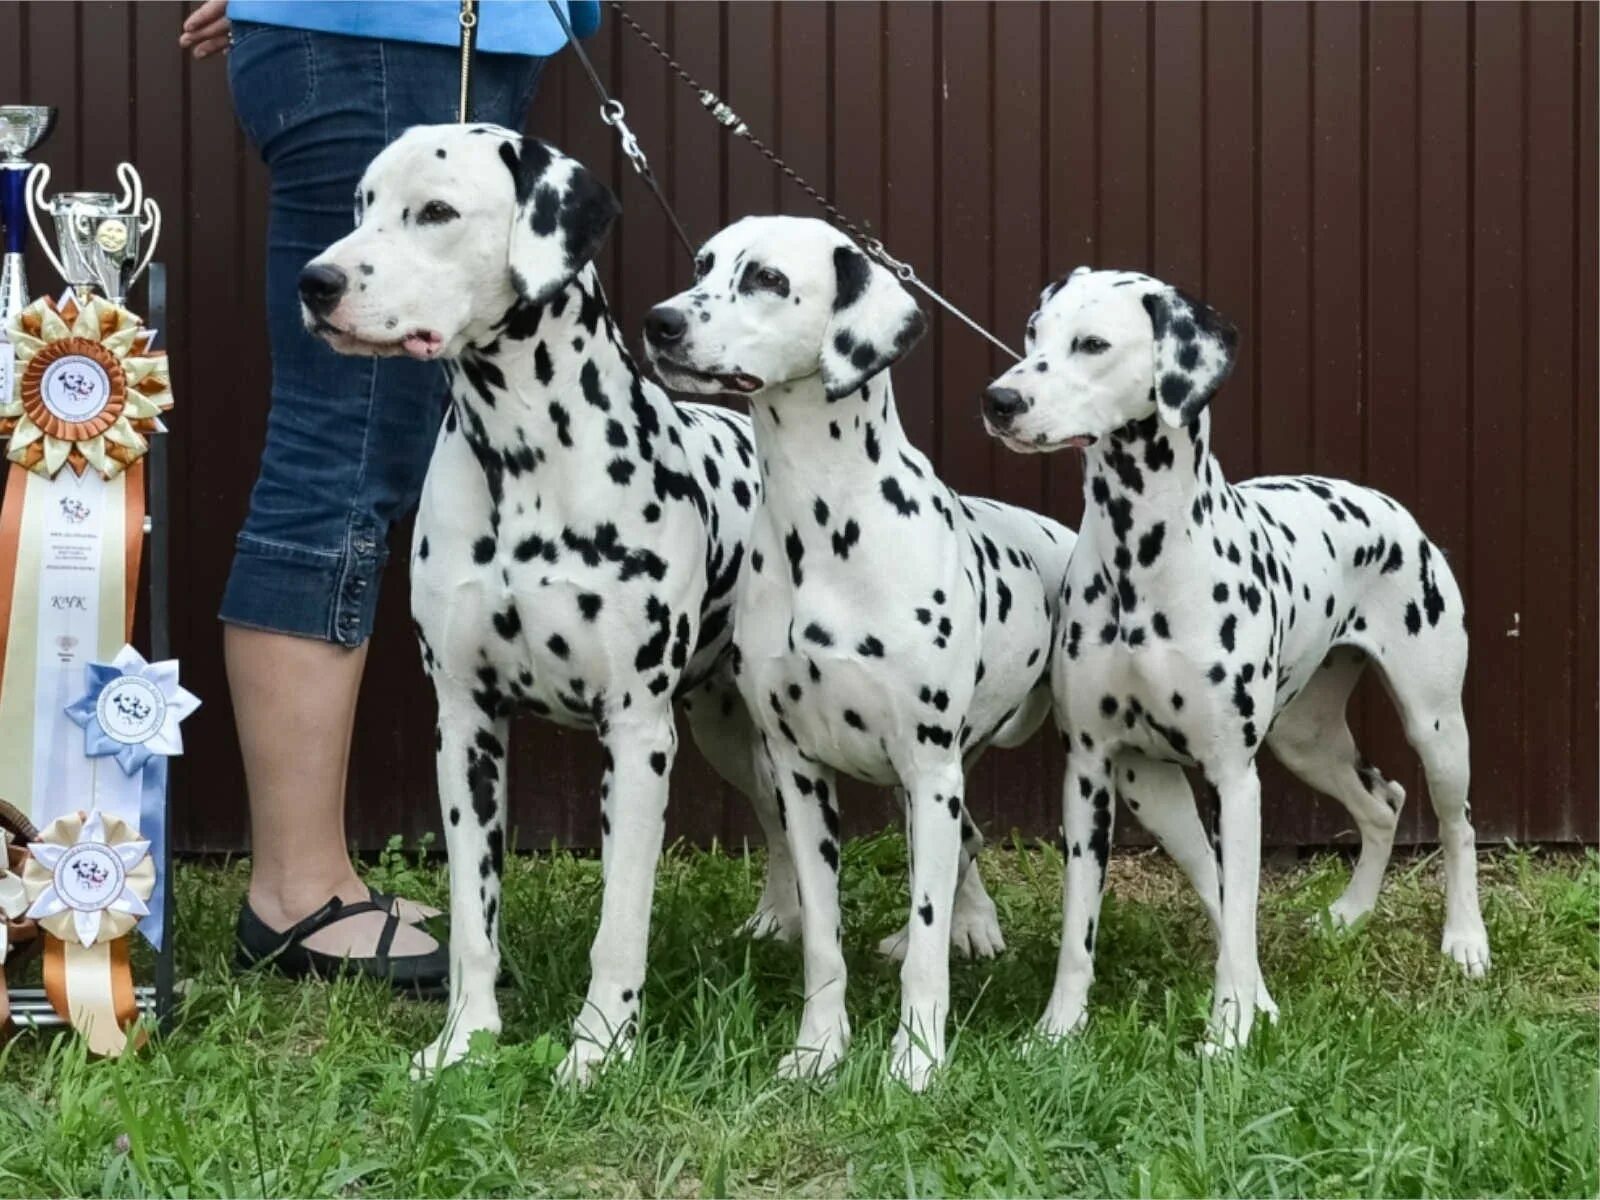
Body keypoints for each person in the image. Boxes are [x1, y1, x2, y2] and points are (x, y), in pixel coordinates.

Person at [180, 0, 601, 988]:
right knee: (346, 445)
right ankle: (296, 895)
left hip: (432, 36)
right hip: (387, 39)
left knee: (371, 436)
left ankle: (307, 880)